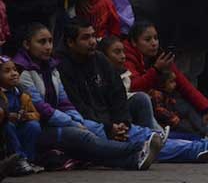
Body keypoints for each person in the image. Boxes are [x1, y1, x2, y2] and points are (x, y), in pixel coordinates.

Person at [58, 19, 208, 164]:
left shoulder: (99, 59)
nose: (91, 42)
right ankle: (194, 150)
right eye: (85, 38)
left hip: (115, 123)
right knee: (143, 140)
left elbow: (117, 94)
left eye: (93, 36)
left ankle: (201, 146)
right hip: (90, 125)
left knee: (150, 137)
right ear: (70, 43)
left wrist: (122, 123)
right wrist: (109, 127)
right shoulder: (63, 67)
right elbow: (77, 105)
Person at [15, 22, 164, 170]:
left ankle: (136, 159)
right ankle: (139, 147)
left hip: (66, 121)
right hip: (41, 126)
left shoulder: (51, 67)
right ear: (27, 44)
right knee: (87, 137)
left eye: (50, 41)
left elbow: (64, 101)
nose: (48, 46)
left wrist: (79, 121)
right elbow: (43, 108)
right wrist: (75, 123)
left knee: (94, 131)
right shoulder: (22, 72)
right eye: (42, 42)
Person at [122, 22, 208, 144]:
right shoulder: (126, 56)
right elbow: (134, 87)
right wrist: (155, 70)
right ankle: (162, 142)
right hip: (136, 109)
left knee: (187, 105)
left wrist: (206, 108)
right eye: (147, 40)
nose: (154, 43)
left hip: (161, 107)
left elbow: (183, 84)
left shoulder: (160, 56)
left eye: (156, 38)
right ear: (134, 42)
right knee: (145, 99)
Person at [0, 55, 41, 173]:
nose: (14, 73)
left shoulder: (22, 93)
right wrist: (7, 117)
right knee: (8, 126)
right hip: (4, 132)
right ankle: (18, 160)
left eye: (15, 70)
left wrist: (25, 116)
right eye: (7, 71)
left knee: (33, 126)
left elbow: (36, 115)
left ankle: (29, 160)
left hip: (19, 126)